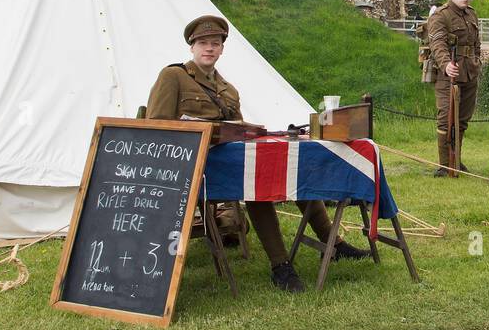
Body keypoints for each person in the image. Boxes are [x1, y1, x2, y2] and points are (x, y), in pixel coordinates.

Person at [145, 15, 367, 293]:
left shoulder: (228, 90)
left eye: (215, 43)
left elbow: (238, 131)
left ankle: (333, 244)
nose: (209, 48)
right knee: (257, 186)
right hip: (195, 167)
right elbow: (155, 125)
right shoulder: (173, 76)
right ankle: (281, 266)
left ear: (222, 49)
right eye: (203, 43)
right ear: (192, 46)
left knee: (293, 169)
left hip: (230, 161)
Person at [427, 0, 482, 176]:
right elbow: (437, 43)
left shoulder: (472, 15)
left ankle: (456, 161)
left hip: (470, 73)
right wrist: (445, 64)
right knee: (446, 118)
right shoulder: (441, 16)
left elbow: (476, 44)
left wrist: (477, 61)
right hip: (448, 75)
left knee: (462, 120)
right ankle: (445, 165)